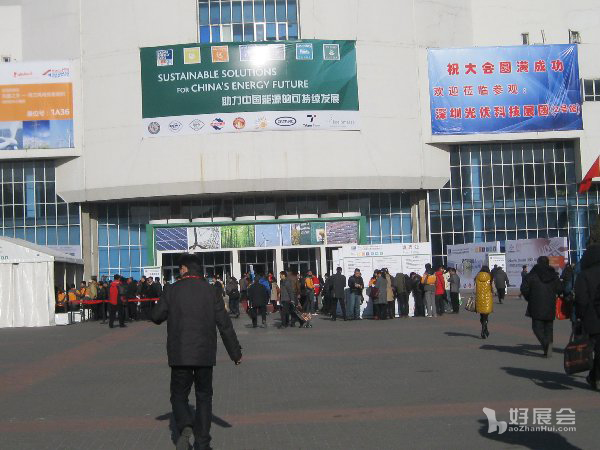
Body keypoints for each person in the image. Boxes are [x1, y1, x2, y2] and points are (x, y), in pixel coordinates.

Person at [151, 253, 242, 450]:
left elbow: (157, 316)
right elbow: (224, 324)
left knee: (178, 395)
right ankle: (202, 443)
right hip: (204, 354)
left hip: (180, 355)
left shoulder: (172, 290)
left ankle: (185, 424)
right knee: (204, 398)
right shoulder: (211, 291)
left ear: (184, 269)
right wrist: (235, 353)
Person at [574, 221, 600, 390]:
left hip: (591, 318)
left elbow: (581, 299)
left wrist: (580, 316)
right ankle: (595, 376)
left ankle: (594, 376)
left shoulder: (584, 275)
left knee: (593, 347)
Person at [520, 256, 562, 357]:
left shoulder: (532, 275)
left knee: (537, 328)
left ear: (538, 262)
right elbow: (560, 288)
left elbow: (524, 288)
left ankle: (546, 344)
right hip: (550, 304)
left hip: (536, 304)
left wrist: (529, 297)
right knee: (549, 327)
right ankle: (548, 346)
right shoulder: (553, 275)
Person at [475, 266, 493, 339]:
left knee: (482, 316)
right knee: (486, 316)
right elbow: (493, 287)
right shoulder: (490, 276)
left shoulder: (477, 276)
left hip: (479, 298)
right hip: (487, 298)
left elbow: (475, 287)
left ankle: (485, 329)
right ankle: (483, 330)